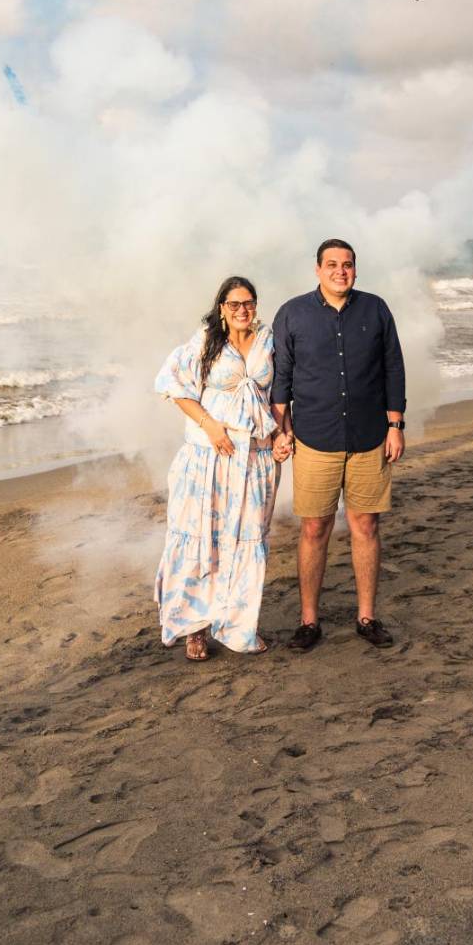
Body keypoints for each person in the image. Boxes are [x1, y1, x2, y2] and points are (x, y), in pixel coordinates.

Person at [271, 239, 406, 650]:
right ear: (317, 270)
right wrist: (281, 428)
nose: (340, 271)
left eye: (347, 265)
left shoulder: (376, 309)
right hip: (314, 439)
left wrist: (395, 424)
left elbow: (393, 367)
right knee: (314, 528)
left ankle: (367, 617)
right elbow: (282, 377)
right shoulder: (293, 313)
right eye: (332, 264)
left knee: (366, 525)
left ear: (355, 270)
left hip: (369, 438)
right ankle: (309, 621)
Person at [154, 276, 292, 660]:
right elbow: (172, 384)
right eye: (234, 305)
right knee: (202, 538)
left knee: (249, 540)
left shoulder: (269, 341)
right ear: (222, 309)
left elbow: (280, 394)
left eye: (248, 303)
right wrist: (210, 426)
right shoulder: (204, 342)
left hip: (257, 457)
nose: (243, 310)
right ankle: (194, 628)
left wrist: (283, 433)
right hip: (209, 455)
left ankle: (237, 626)